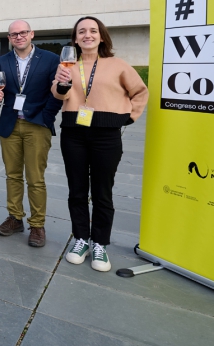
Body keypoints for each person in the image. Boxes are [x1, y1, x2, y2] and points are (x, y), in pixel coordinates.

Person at [53, 16, 147, 272]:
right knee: (77, 190)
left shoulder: (117, 65)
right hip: (74, 133)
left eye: (93, 31)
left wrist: (129, 116)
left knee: (103, 191)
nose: (87, 35)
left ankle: (100, 243)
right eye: (81, 31)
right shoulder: (68, 65)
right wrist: (62, 81)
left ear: (101, 36)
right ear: (75, 38)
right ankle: (81, 238)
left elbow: (140, 91)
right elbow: (59, 94)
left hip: (106, 135)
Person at [0, 20, 62, 247]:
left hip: (36, 125)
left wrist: (46, 118)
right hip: (10, 125)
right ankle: (15, 217)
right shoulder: (2, 61)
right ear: (9, 38)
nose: (18, 37)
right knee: (12, 175)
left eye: (22, 33)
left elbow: (58, 91)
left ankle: (37, 225)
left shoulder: (50, 59)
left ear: (32, 34)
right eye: (13, 34)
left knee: (35, 179)